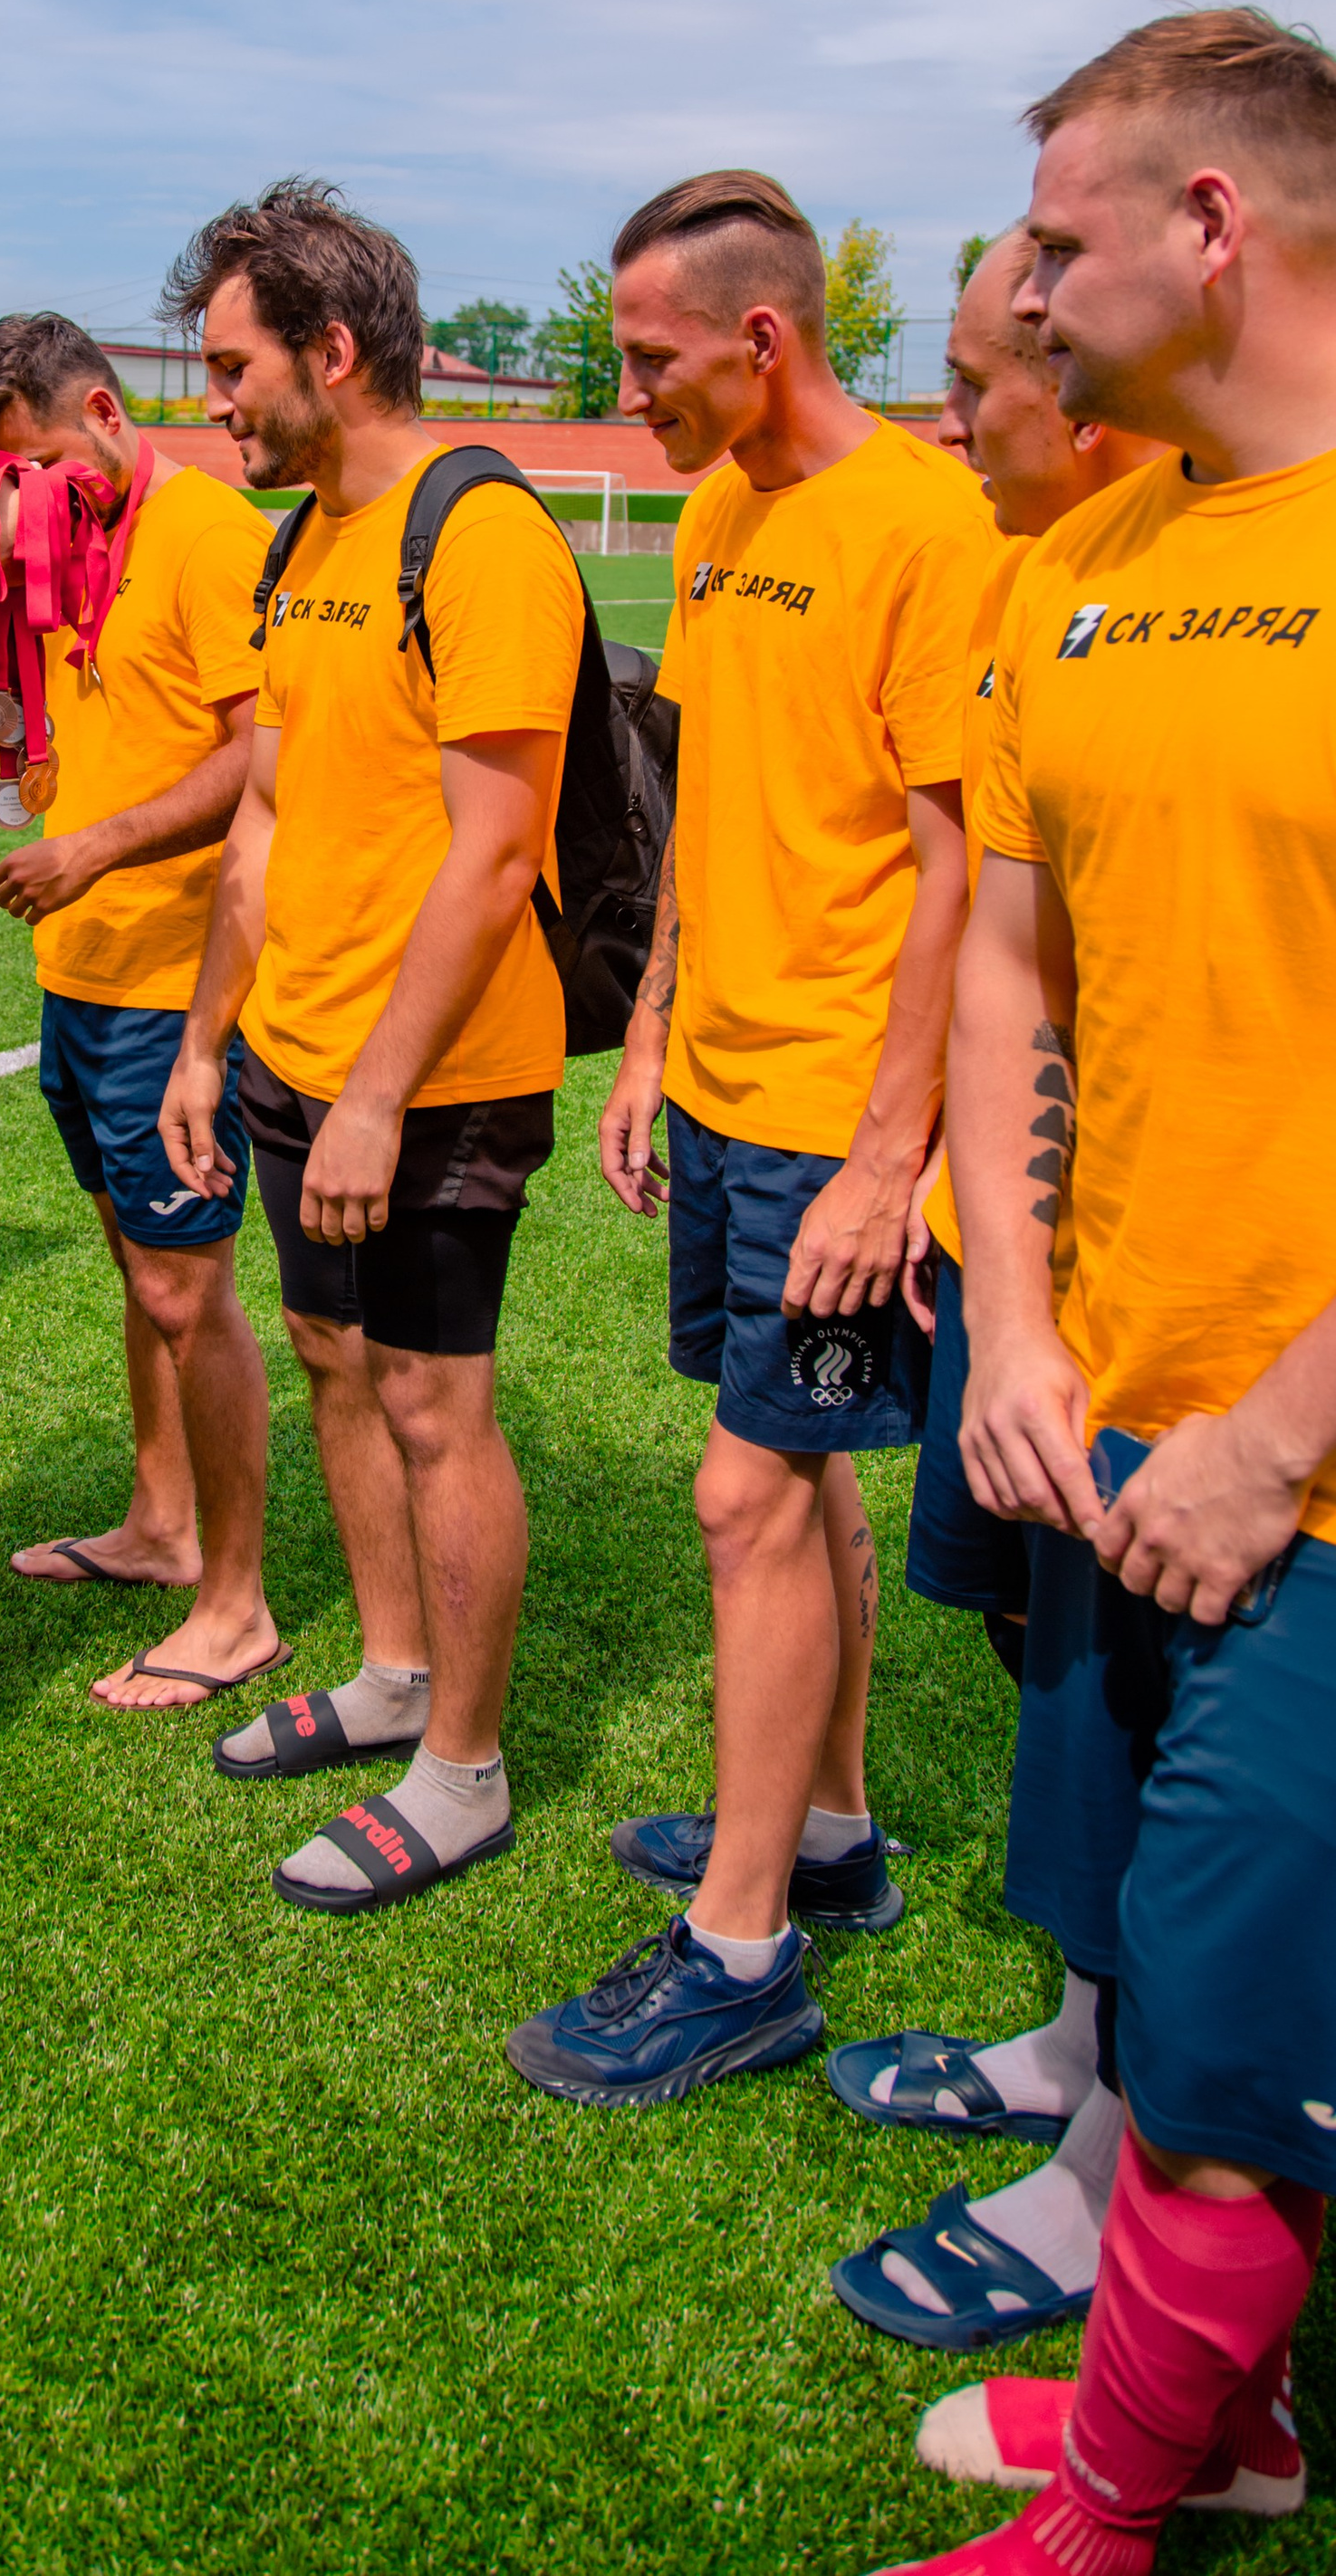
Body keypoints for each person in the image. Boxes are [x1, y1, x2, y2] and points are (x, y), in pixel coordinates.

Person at [870, 10, 1336, 2573]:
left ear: (1214, 227)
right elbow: (1012, 972)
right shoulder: (1086, 565)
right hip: (1114, 1411)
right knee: (1168, 1977)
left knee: (1251, 2044)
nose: (1024, 296)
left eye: (1056, 238)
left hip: (1315, 1465)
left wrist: (1282, 1428)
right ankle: (1212, 2421)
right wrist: (1022, 1326)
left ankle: (1109, 2525)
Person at [505, 169, 993, 2108]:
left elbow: (961, 866)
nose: (625, 390)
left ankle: (738, 1951)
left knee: (739, 1495)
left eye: (646, 358)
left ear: (759, 339)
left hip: (833, 1118)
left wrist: (892, 1155)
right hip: (714, 1083)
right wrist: (641, 1031)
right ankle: (829, 1834)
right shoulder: (713, 513)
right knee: (798, 1488)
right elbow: (702, 804)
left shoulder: (926, 524)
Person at [158, 178, 584, 1915]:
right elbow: (262, 822)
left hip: (442, 1071)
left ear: (333, 353)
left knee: (430, 1396)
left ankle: (463, 1771)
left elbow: (496, 854)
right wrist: (209, 1047)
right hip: (295, 1051)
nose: (214, 403)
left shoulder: (480, 534)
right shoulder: (296, 539)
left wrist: (380, 1099)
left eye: (232, 366)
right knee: (332, 1361)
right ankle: (392, 1675)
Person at [824, 234, 1160, 2349]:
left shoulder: (1207, 570)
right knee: (1056, 1687)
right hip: (1038, 1271)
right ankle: (1068, 2053)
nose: (948, 430)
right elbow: (1007, 943)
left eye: (972, 392)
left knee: (1141, 1731)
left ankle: (1103, 2164)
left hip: (1183, 1323)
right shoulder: (1040, 571)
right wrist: (980, 1224)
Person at [0, 311, 279, 1712]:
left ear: (99, 409)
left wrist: (98, 846)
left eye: (29, 467)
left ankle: (238, 1603)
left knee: (189, 1286)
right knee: (139, 1270)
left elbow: (262, 758)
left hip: (179, 978)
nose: (21, 497)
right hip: (78, 974)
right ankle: (159, 1524)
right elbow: (6, 732)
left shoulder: (209, 533)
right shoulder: (52, 539)